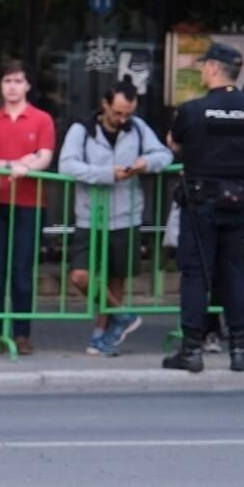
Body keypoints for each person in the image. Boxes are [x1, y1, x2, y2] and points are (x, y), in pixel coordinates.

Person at [162, 42, 244, 373]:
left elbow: (175, 143)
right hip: (238, 203)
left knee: (195, 276)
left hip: (200, 203)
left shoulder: (192, 110)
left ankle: (192, 351)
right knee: (235, 275)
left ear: (212, 69)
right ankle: (238, 349)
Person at [57, 79, 172, 357]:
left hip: (125, 215)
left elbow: (164, 154)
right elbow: (67, 165)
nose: (122, 119)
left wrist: (147, 163)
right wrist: (107, 174)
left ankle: (102, 335)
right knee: (81, 276)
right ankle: (122, 316)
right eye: (117, 112)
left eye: (128, 114)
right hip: (90, 215)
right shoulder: (81, 130)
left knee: (116, 279)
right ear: (105, 105)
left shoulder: (138, 128)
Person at [0, 60, 55, 353]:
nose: (13, 87)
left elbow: (45, 155)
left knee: (22, 270)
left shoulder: (42, 119)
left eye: (18, 81)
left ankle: (22, 334)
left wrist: (27, 166)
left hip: (30, 202)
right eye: (8, 81)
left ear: (28, 85)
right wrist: (12, 164)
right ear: (1, 85)